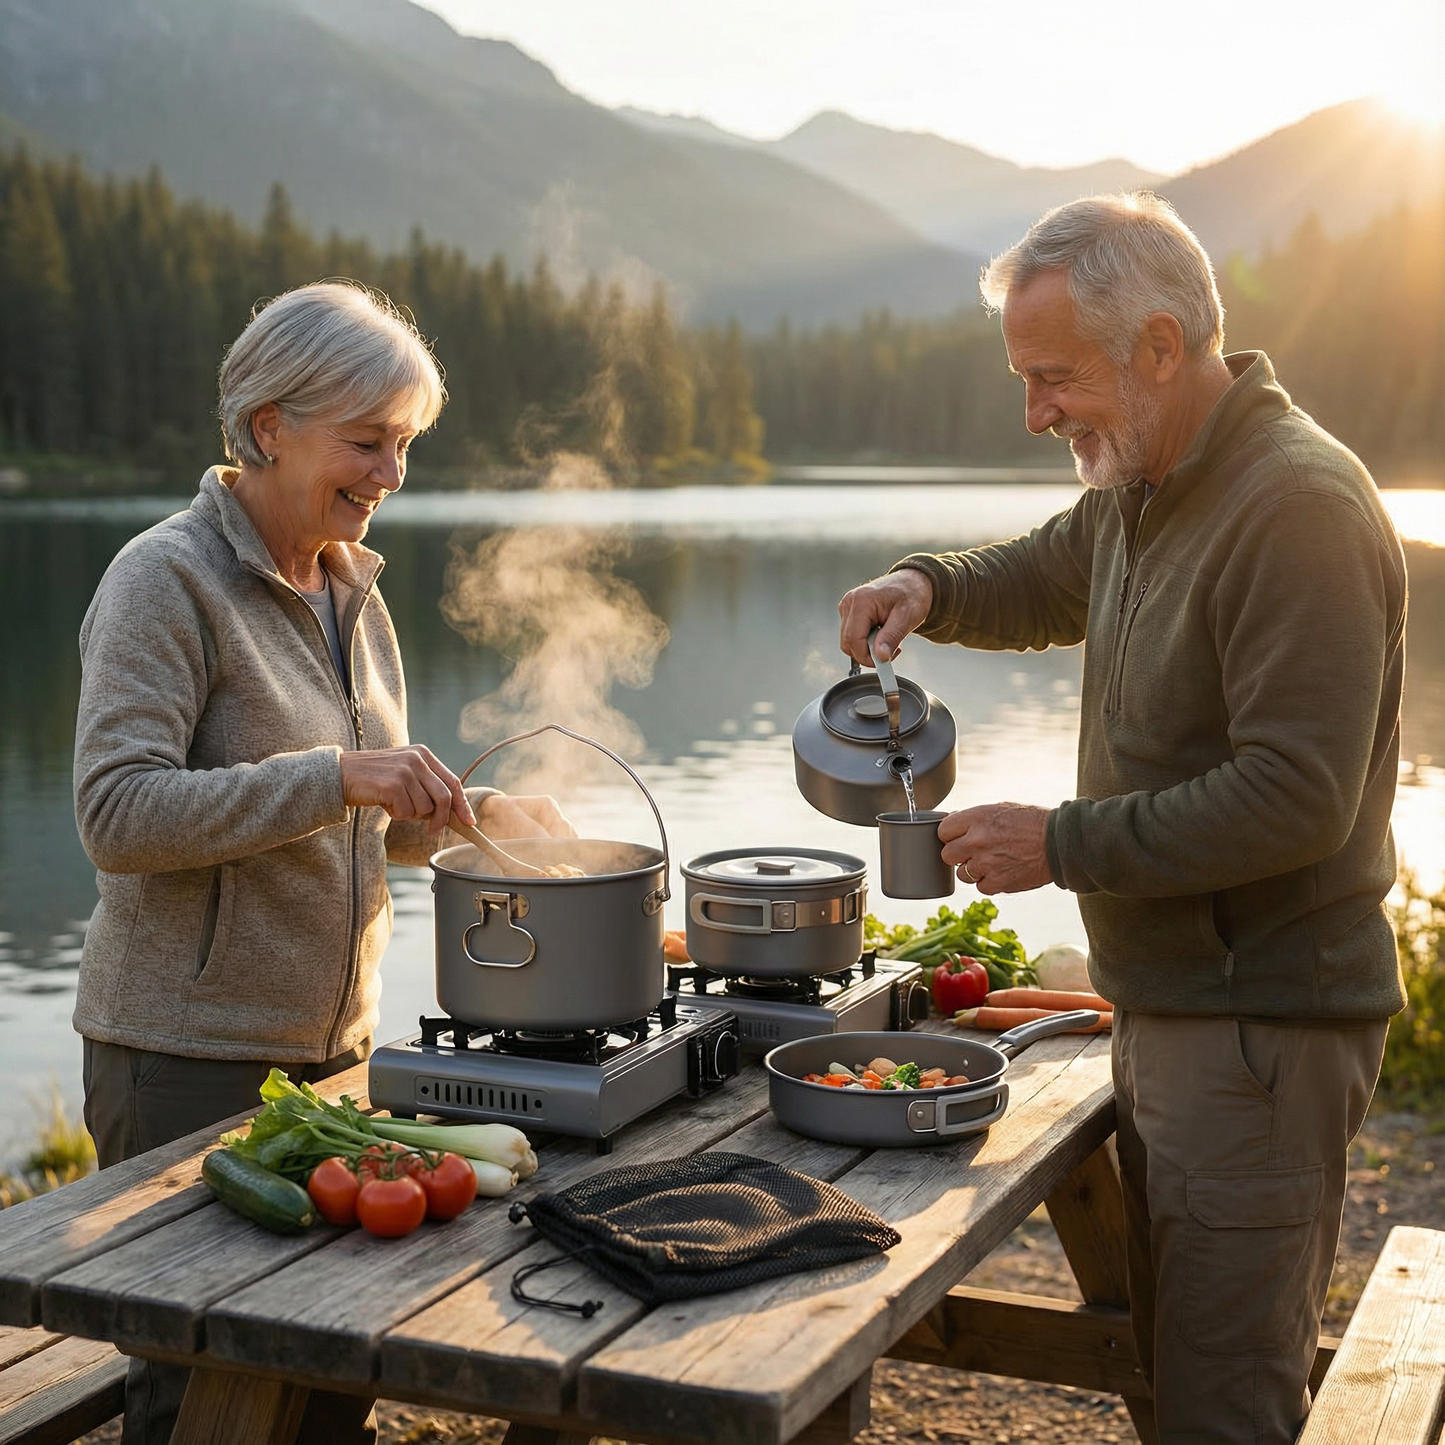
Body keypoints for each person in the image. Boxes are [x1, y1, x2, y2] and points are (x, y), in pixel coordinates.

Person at [838, 194, 1406, 1444]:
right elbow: (1048, 568)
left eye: (1052, 376)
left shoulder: (1292, 502)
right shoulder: (1147, 475)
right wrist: (924, 583)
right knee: (1172, 1366)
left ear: (1158, 344)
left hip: (1259, 1027)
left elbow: (1295, 795)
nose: (1033, 411)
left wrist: (1060, 842)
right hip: (1175, 1005)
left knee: (1221, 1398)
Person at [72, 281, 571, 1445]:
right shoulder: (164, 579)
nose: (389, 472)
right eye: (366, 440)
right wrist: (337, 774)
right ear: (265, 426)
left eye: (403, 443)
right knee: (198, 1392)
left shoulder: (351, 588)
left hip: (329, 1051)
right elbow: (115, 814)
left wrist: (475, 809)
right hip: (181, 1057)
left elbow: (366, 816)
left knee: (330, 1376)